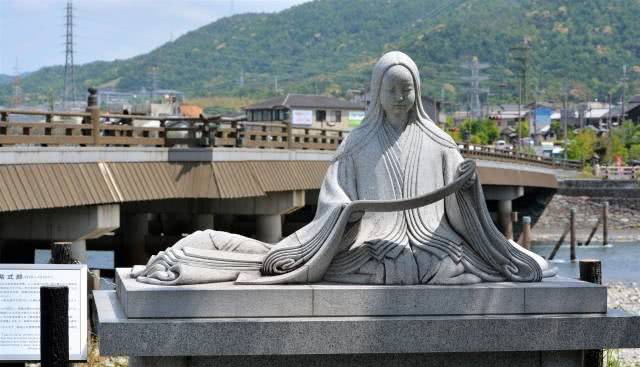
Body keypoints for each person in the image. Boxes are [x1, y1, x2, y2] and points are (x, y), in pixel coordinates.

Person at [133, 51, 554, 286]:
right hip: (367, 245)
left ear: (418, 92)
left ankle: (205, 251)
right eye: (393, 90)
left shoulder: (439, 142)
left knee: (455, 268)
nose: (402, 98)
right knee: (304, 262)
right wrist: (349, 218)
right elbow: (333, 201)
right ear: (376, 92)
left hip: (436, 243)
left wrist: (466, 188)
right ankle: (206, 249)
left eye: (408, 90)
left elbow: (460, 216)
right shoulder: (356, 144)